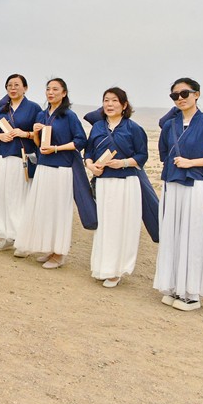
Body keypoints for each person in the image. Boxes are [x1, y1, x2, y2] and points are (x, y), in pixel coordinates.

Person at [154, 78, 203, 311]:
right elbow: (164, 153)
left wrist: (192, 162)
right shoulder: (170, 125)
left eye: (184, 93)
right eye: (174, 96)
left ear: (196, 94)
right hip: (172, 185)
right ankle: (173, 287)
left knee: (194, 236)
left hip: (196, 186)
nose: (180, 99)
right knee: (172, 235)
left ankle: (192, 293)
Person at [14, 78, 86, 269]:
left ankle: (59, 254)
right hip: (43, 166)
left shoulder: (69, 116)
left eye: (55, 89)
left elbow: (80, 141)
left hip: (62, 168)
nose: (51, 93)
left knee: (59, 210)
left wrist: (56, 148)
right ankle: (49, 249)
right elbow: (39, 145)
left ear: (64, 93)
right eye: (48, 89)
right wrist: (36, 133)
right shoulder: (42, 115)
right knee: (45, 209)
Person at [84, 87, 148, 288]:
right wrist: (91, 166)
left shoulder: (133, 128)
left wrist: (123, 163)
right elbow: (88, 152)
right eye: (106, 100)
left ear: (124, 105)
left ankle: (117, 271)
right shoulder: (97, 127)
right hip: (104, 183)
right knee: (105, 225)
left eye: (114, 100)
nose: (109, 104)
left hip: (125, 183)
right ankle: (102, 267)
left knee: (122, 225)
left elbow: (142, 156)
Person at [0, 74, 41, 253]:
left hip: (21, 158)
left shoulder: (33, 108)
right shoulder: (3, 109)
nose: (13, 88)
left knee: (19, 199)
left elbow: (42, 134)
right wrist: (1, 136)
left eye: (17, 85)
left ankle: (23, 241)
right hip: (3, 156)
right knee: (3, 197)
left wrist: (26, 134)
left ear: (25, 88)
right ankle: (7, 236)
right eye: (9, 85)